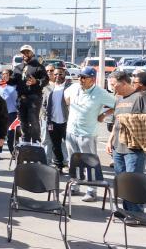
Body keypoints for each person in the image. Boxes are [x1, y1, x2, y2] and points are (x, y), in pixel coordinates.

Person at [106, 71, 146, 214]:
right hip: (118, 147)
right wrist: (109, 140)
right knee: (122, 181)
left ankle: (136, 213)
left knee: (134, 182)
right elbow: (117, 121)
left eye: (114, 85)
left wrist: (132, 118)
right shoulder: (118, 98)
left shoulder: (141, 97)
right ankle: (126, 211)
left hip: (134, 148)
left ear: (124, 82)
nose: (112, 88)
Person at [63, 67, 115, 202]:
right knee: (73, 161)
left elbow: (116, 104)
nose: (80, 79)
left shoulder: (100, 93)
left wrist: (104, 114)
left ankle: (92, 190)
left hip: (87, 133)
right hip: (71, 131)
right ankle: (75, 185)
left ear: (92, 79)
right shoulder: (74, 88)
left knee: (89, 162)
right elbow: (66, 96)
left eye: (84, 77)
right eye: (80, 76)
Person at [10, 45, 48, 143]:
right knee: (23, 121)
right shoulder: (18, 67)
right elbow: (13, 81)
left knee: (33, 120)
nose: (25, 54)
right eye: (23, 52)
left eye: (27, 52)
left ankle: (36, 141)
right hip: (21, 99)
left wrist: (36, 82)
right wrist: (7, 79)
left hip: (34, 98)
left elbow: (46, 80)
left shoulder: (38, 66)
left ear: (32, 53)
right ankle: (25, 141)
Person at [42, 66, 72, 169]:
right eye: (55, 74)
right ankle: (59, 165)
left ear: (64, 74)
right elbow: (44, 104)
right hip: (52, 122)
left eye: (60, 74)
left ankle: (71, 164)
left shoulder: (70, 87)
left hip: (66, 122)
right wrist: (46, 115)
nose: (57, 76)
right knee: (55, 145)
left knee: (69, 145)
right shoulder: (48, 88)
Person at [0, 69, 18, 155]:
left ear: (11, 75)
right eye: (3, 74)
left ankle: (12, 151)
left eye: (7, 74)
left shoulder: (15, 85)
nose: (5, 76)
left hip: (12, 113)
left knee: (10, 134)